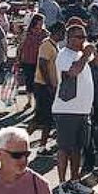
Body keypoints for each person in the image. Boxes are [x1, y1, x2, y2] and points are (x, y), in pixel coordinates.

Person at [52, 19, 95, 194]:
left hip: (81, 110)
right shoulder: (64, 55)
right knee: (64, 148)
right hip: (66, 110)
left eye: (85, 37)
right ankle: (62, 184)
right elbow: (73, 72)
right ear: (70, 38)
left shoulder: (79, 55)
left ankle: (75, 180)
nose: (84, 40)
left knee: (77, 148)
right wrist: (86, 54)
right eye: (80, 37)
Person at [32, 21, 60, 152]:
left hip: (48, 85)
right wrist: (49, 84)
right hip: (43, 85)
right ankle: (40, 146)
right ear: (57, 32)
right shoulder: (46, 45)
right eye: (63, 33)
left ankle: (39, 144)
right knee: (44, 118)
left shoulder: (54, 45)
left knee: (43, 117)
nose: (64, 36)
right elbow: (42, 65)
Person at [17, 12, 46, 111]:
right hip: (28, 60)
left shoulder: (45, 33)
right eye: (40, 22)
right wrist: (18, 59)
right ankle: (29, 101)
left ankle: (37, 103)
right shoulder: (27, 33)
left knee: (39, 83)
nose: (41, 24)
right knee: (29, 82)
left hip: (40, 61)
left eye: (42, 22)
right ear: (35, 22)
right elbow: (20, 47)